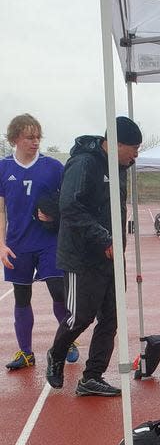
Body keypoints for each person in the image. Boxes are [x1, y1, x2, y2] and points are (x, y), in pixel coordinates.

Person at [45, 116, 142, 396]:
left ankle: (92, 377)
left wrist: (116, 244)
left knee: (112, 318)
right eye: (133, 148)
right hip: (82, 257)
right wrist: (103, 238)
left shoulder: (121, 166)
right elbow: (70, 206)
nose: (136, 154)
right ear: (115, 143)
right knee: (81, 317)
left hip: (111, 256)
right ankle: (57, 352)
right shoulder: (84, 163)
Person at [0, 113, 79, 372]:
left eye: (38, 137)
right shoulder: (3, 168)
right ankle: (26, 353)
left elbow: (68, 200)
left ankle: (66, 340)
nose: (35, 142)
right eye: (29, 137)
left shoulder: (53, 167)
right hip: (17, 243)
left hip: (48, 241)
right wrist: (1, 244)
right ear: (15, 139)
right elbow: (0, 211)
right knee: (22, 298)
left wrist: (54, 213)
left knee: (58, 290)